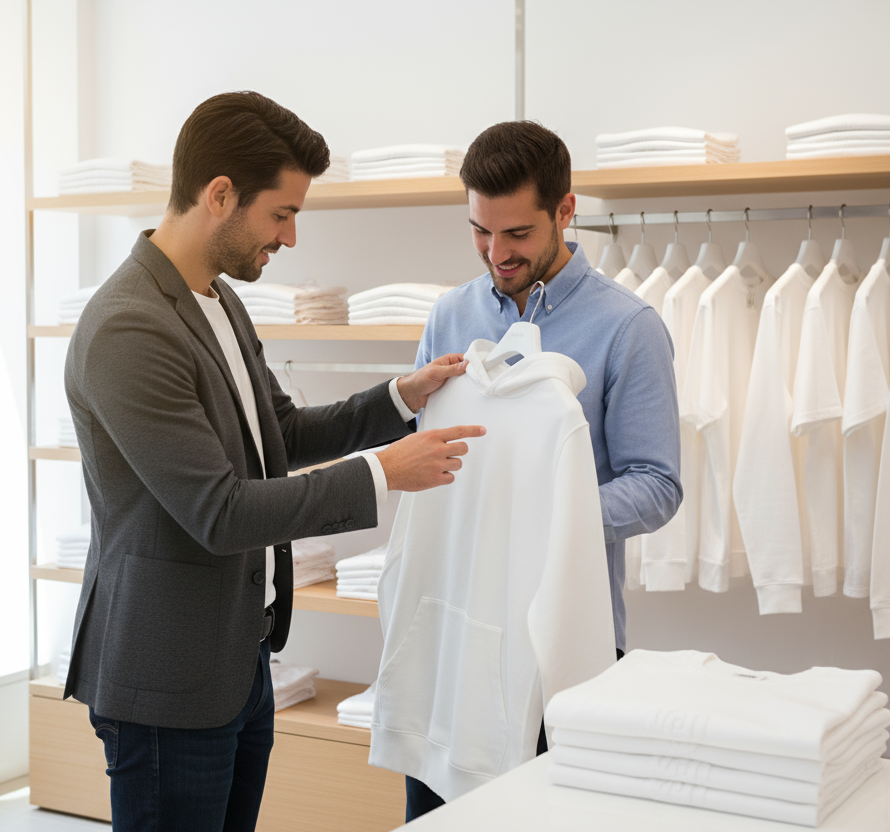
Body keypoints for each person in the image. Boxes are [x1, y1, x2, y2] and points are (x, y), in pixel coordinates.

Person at [60, 91, 484, 832]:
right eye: (281, 214)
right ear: (220, 195)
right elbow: (219, 512)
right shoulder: (129, 326)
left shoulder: (217, 299)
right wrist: (385, 471)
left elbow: (275, 434)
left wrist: (400, 397)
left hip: (237, 661)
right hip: (166, 682)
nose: (290, 238)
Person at [403, 120, 682, 820]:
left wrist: (546, 515)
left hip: (565, 633)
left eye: (517, 235)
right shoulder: (448, 317)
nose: (496, 253)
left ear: (565, 211)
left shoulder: (628, 329)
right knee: (441, 816)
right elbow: (425, 455)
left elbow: (657, 485)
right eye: (479, 231)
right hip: (455, 629)